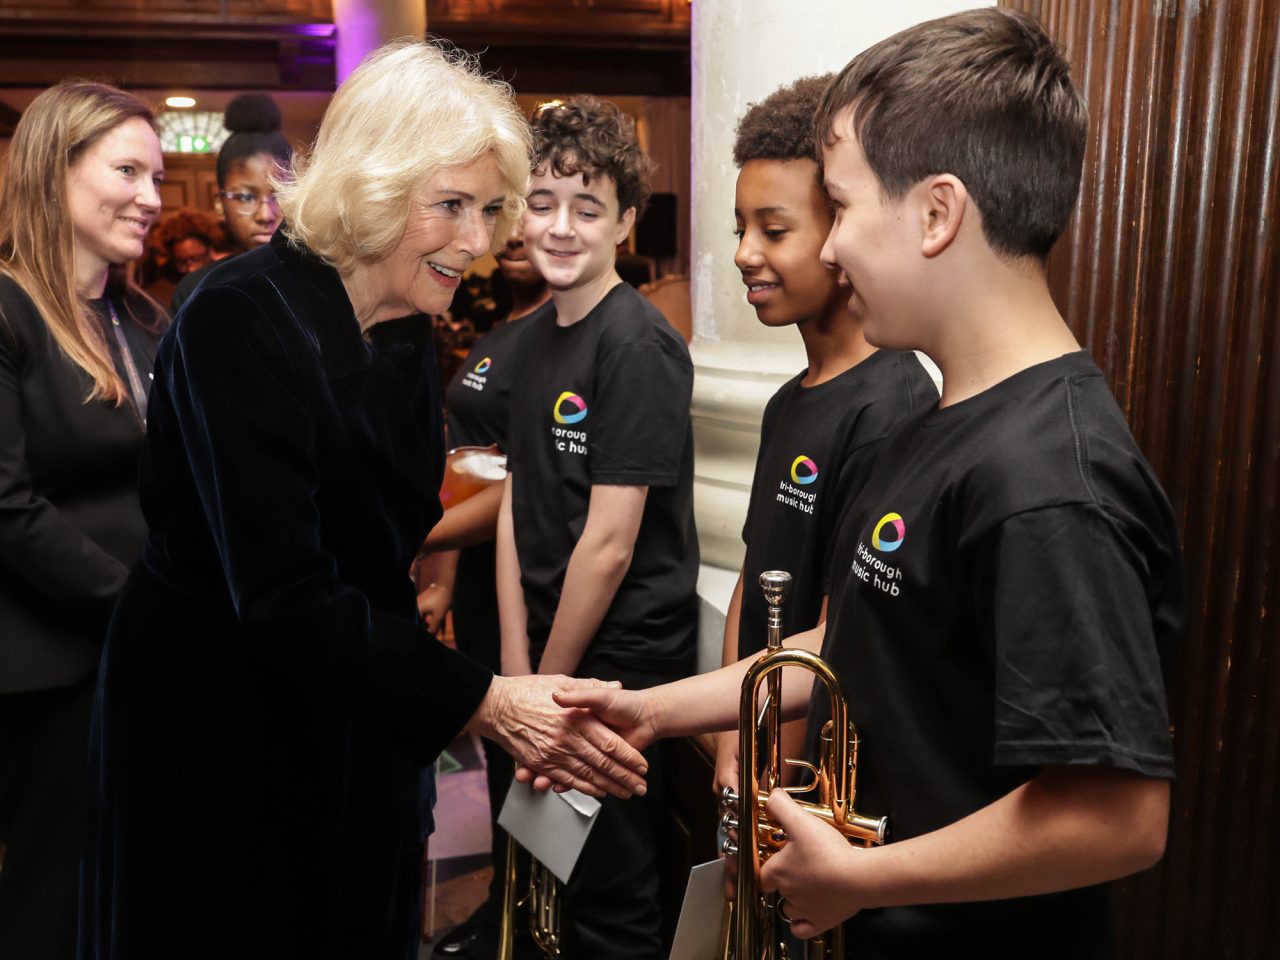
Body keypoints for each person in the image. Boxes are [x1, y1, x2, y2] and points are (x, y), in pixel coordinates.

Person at [558, 10, 1182, 958]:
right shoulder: (947, 420)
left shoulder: (1050, 481)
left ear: (937, 214)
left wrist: (862, 877)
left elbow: (1116, 818)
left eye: (842, 208)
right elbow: (864, 642)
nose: (832, 249)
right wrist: (654, 709)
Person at [77, 42, 649, 960]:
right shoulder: (237, 314)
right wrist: (487, 699)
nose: (479, 241)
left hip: (356, 711)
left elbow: (389, 531)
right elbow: (284, 595)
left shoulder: (401, 323)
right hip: (222, 725)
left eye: (488, 209)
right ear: (373, 185)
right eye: (452, 206)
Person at [497, 96, 698, 958]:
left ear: (624, 222)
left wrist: (547, 688)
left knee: (612, 904)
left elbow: (610, 545)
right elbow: (516, 504)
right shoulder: (530, 337)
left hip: (616, 668)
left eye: (587, 208)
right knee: (550, 882)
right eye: (542, 203)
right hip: (549, 662)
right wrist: (516, 675)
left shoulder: (637, 344)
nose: (560, 227)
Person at [712, 75, 937, 800]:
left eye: (774, 231)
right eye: (740, 229)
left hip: (810, 779)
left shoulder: (893, 404)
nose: (746, 253)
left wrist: (774, 771)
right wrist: (732, 736)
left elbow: (842, 635)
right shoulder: (789, 402)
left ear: (840, 233)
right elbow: (754, 577)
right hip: (755, 744)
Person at [0, 81, 167, 960]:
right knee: (53, 903)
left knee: (133, 897)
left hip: (140, 657)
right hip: (48, 672)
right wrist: (143, 604)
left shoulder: (140, 318)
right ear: (52, 171)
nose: (151, 197)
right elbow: (7, 508)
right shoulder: (7, 310)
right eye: (128, 171)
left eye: (157, 176)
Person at [417, 228, 551, 959]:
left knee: (524, 767)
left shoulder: (558, 339)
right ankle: (505, 905)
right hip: (475, 577)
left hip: (518, 588)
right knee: (499, 762)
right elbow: (470, 471)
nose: (526, 231)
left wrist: (417, 540)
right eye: (521, 210)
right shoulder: (501, 331)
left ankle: (524, 919)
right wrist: (441, 577)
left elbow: (519, 487)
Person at [169, 91, 292, 313]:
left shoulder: (322, 283)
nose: (265, 215)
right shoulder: (197, 290)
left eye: (279, 196)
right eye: (246, 197)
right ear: (219, 204)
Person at [141, 207, 222, 304]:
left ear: (210, 249)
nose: (191, 269)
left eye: (196, 259)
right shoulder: (162, 291)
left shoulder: (226, 276)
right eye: (181, 262)